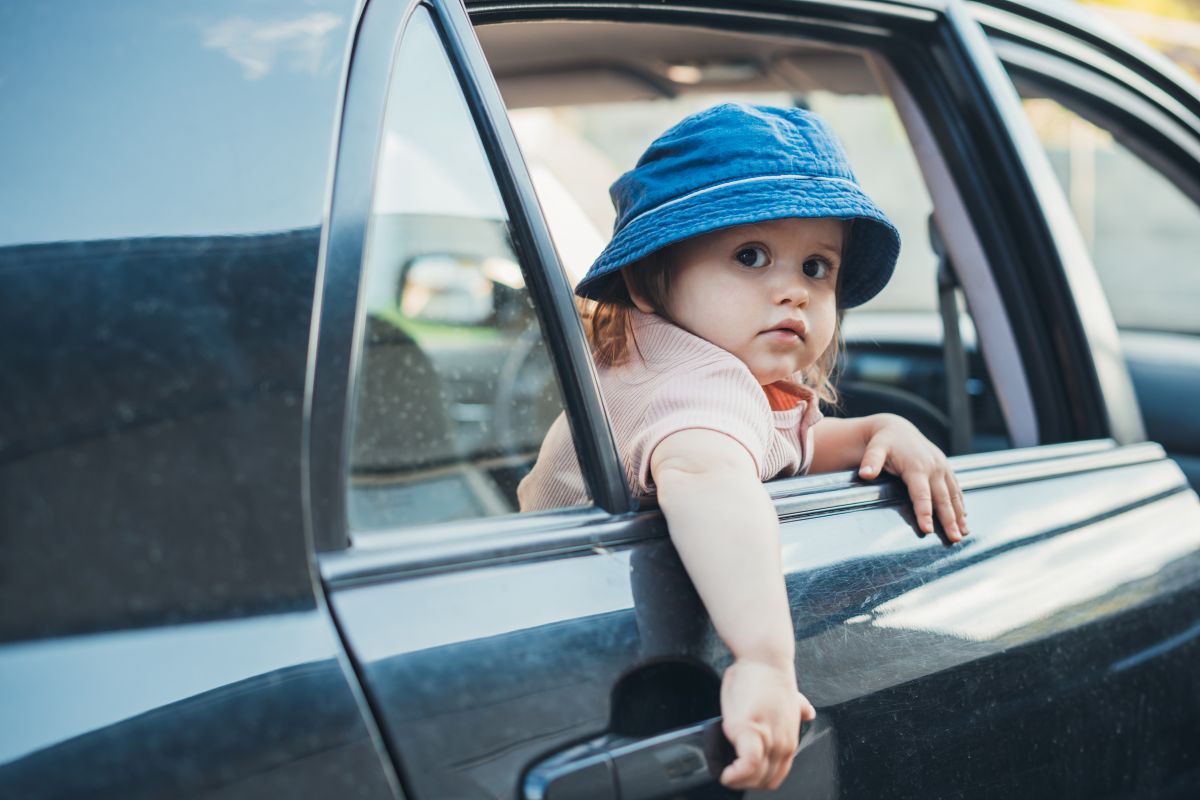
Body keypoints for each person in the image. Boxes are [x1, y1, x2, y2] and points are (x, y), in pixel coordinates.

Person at [518, 103, 968, 791]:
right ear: (649, 278)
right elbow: (712, 481)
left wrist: (879, 431)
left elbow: (778, 449)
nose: (793, 290)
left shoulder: (659, 365)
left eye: (818, 268)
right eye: (750, 256)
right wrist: (762, 659)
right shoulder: (700, 386)